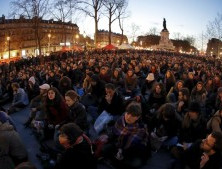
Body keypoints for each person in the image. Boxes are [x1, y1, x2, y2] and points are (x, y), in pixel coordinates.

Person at [102, 102, 150, 168]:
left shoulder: (141, 129)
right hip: (118, 143)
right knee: (104, 149)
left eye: (133, 115)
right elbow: (114, 132)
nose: (129, 117)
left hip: (133, 150)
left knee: (134, 164)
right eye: (128, 113)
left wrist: (120, 150)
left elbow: (132, 145)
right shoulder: (121, 119)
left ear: (138, 117)